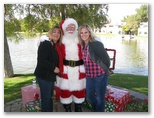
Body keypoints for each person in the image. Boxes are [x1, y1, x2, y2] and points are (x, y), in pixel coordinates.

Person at [55, 18, 86, 112]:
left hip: (79, 68)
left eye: (73, 26)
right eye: (68, 26)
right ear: (64, 28)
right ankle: (67, 107)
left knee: (80, 89)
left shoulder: (80, 38)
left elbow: (91, 39)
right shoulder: (61, 39)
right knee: (66, 90)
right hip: (66, 68)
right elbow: (51, 41)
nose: (70, 28)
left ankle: (78, 106)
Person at [78, 24, 110, 112]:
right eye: (81, 33)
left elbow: (106, 60)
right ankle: (97, 111)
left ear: (89, 33)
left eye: (86, 32)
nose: (84, 34)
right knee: (89, 96)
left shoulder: (96, 44)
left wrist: (105, 70)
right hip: (89, 76)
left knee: (100, 98)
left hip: (100, 75)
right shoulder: (82, 45)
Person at [34, 26, 62, 112]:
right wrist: (53, 67)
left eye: (58, 32)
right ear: (50, 33)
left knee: (49, 98)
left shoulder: (53, 45)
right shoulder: (45, 44)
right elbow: (42, 60)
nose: (56, 34)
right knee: (46, 99)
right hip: (44, 76)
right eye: (54, 32)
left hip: (49, 76)